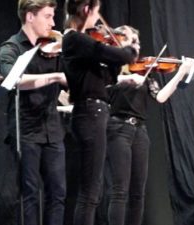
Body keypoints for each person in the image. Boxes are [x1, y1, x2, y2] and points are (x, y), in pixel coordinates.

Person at [103, 25, 194, 225]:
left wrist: (180, 73)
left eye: (137, 42)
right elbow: (101, 86)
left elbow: (161, 97)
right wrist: (126, 78)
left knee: (138, 192)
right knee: (120, 190)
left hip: (140, 131)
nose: (136, 46)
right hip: (117, 128)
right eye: (131, 41)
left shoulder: (145, 70)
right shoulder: (110, 67)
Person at [62, 0, 139, 224]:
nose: (98, 19)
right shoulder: (75, 39)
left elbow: (108, 76)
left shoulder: (82, 43)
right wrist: (128, 49)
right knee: (89, 193)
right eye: (96, 12)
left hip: (95, 112)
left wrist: (119, 56)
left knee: (92, 191)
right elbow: (113, 54)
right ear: (86, 9)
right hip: (89, 113)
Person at [0, 0, 69, 224]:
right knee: (29, 194)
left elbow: (69, 80)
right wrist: (54, 77)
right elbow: (14, 80)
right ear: (30, 16)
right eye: (47, 16)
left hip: (52, 128)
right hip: (25, 129)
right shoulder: (11, 48)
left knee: (57, 193)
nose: (53, 22)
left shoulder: (54, 47)